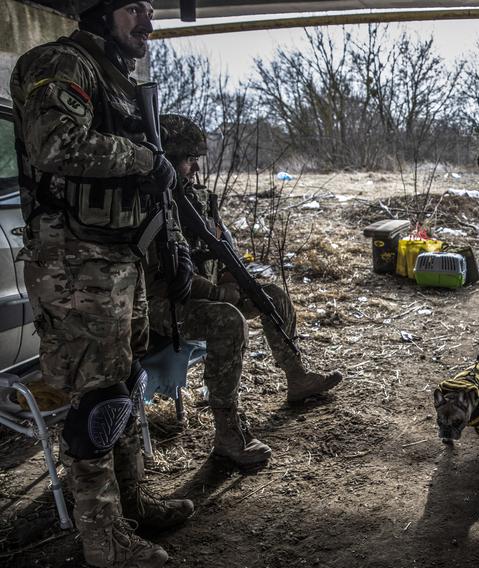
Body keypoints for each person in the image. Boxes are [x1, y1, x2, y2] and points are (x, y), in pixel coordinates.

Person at [10, 2, 194, 567]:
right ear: (98, 9)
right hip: (75, 262)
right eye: (134, 8)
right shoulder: (61, 62)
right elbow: (54, 143)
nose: (148, 21)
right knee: (97, 400)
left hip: (118, 256)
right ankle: (103, 540)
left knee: (124, 382)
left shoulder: (116, 77)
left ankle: (131, 506)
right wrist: (145, 156)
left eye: (151, 9)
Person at [151, 115, 343, 466]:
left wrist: (231, 280)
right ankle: (227, 432)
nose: (195, 168)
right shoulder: (153, 204)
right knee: (228, 321)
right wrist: (221, 294)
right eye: (189, 159)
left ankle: (296, 377)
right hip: (161, 304)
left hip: (204, 292)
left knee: (271, 296)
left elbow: (221, 248)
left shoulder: (194, 197)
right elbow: (163, 277)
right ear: (171, 157)